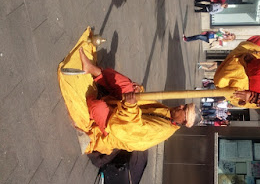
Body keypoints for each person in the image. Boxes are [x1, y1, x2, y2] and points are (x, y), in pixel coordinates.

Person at [58, 27, 202, 157]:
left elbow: (131, 132)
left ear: (183, 121)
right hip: (123, 109)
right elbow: (145, 104)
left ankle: (93, 109)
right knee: (127, 85)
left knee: (97, 106)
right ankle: (90, 69)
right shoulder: (169, 112)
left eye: (184, 109)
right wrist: (139, 92)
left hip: (116, 130)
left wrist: (131, 107)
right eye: (184, 105)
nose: (180, 106)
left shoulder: (163, 130)